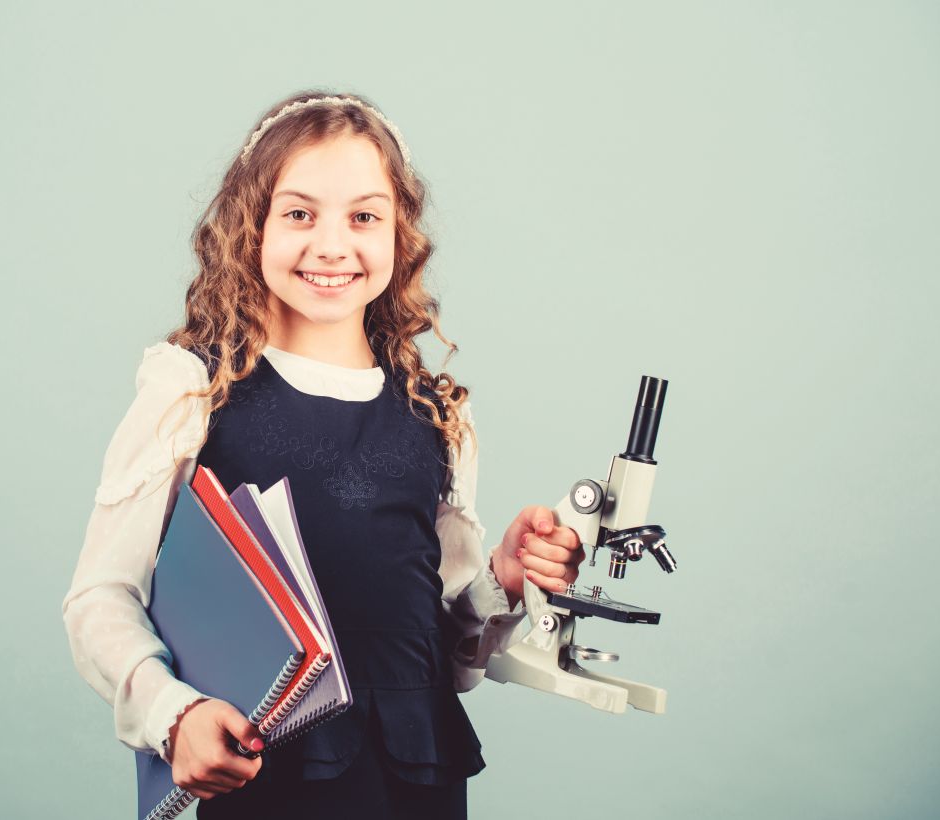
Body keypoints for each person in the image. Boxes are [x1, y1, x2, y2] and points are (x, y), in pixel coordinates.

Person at [61, 90, 586, 819]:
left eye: (364, 216)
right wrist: (172, 714)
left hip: (418, 785)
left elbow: (441, 651)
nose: (333, 245)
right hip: (263, 781)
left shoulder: (440, 417)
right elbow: (99, 598)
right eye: (300, 213)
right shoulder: (191, 389)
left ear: (400, 235)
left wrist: (506, 576)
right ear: (252, 228)